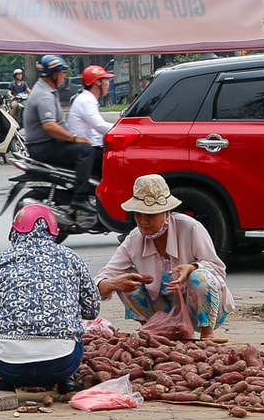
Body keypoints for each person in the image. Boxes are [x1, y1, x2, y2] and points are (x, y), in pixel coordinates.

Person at [0, 204, 102, 390]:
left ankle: (6, 382)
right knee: (74, 334)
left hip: (7, 366)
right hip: (61, 364)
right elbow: (92, 311)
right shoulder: (72, 259)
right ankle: (66, 381)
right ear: (53, 232)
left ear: (14, 232)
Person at [97, 174, 234, 340]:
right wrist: (112, 283)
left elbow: (217, 268)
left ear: (166, 212)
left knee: (200, 277)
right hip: (162, 308)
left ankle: (207, 335)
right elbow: (103, 278)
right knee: (124, 278)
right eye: (138, 215)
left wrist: (191, 268)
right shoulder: (134, 239)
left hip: (201, 309)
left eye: (150, 215)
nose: (143, 221)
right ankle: (154, 331)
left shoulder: (190, 228)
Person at [21, 55, 99, 208]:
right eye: (63, 72)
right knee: (85, 151)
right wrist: (74, 138)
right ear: (54, 74)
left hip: (49, 143)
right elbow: (50, 126)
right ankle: (80, 197)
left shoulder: (49, 90)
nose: (65, 76)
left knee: (96, 152)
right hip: (42, 147)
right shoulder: (44, 95)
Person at [64, 64, 116, 215]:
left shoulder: (89, 100)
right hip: (86, 150)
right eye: (105, 80)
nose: (108, 83)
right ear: (96, 83)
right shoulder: (86, 101)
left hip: (91, 146)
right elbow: (100, 126)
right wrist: (123, 130)